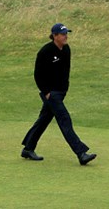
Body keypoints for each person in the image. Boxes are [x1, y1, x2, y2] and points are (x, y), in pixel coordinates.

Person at [21, 23, 97, 165]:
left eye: (66, 33)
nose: (65, 36)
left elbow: (65, 71)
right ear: (54, 36)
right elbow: (38, 75)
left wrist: (64, 89)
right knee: (64, 119)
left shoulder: (66, 49)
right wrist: (47, 92)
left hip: (60, 92)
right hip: (51, 93)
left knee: (44, 120)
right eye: (62, 34)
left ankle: (28, 148)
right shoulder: (45, 51)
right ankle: (81, 153)